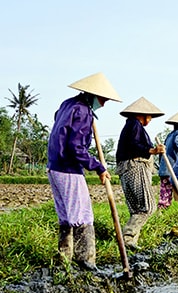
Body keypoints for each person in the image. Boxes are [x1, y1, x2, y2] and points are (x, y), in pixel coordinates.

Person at [47, 72, 122, 271]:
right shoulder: (83, 111)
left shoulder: (68, 104)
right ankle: (85, 262)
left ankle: (64, 260)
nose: (104, 104)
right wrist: (99, 167)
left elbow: (59, 124)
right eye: (103, 99)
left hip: (54, 166)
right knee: (83, 216)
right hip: (68, 168)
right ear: (92, 95)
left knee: (66, 216)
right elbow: (76, 147)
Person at [115, 97, 166, 251]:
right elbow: (134, 145)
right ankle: (128, 237)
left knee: (137, 208)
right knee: (147, 207)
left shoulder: (132, 126)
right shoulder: (134, 124)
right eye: (149, 116)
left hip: (126, 168)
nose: (150, 120)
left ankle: (130, 242)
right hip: (135, 166)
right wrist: (152, 150)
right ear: (141, 114)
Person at [157, 111, 178, 210]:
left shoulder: (169, 135)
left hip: (164, 169)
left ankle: (161, 212)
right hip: (173, 169)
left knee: (165, 193)